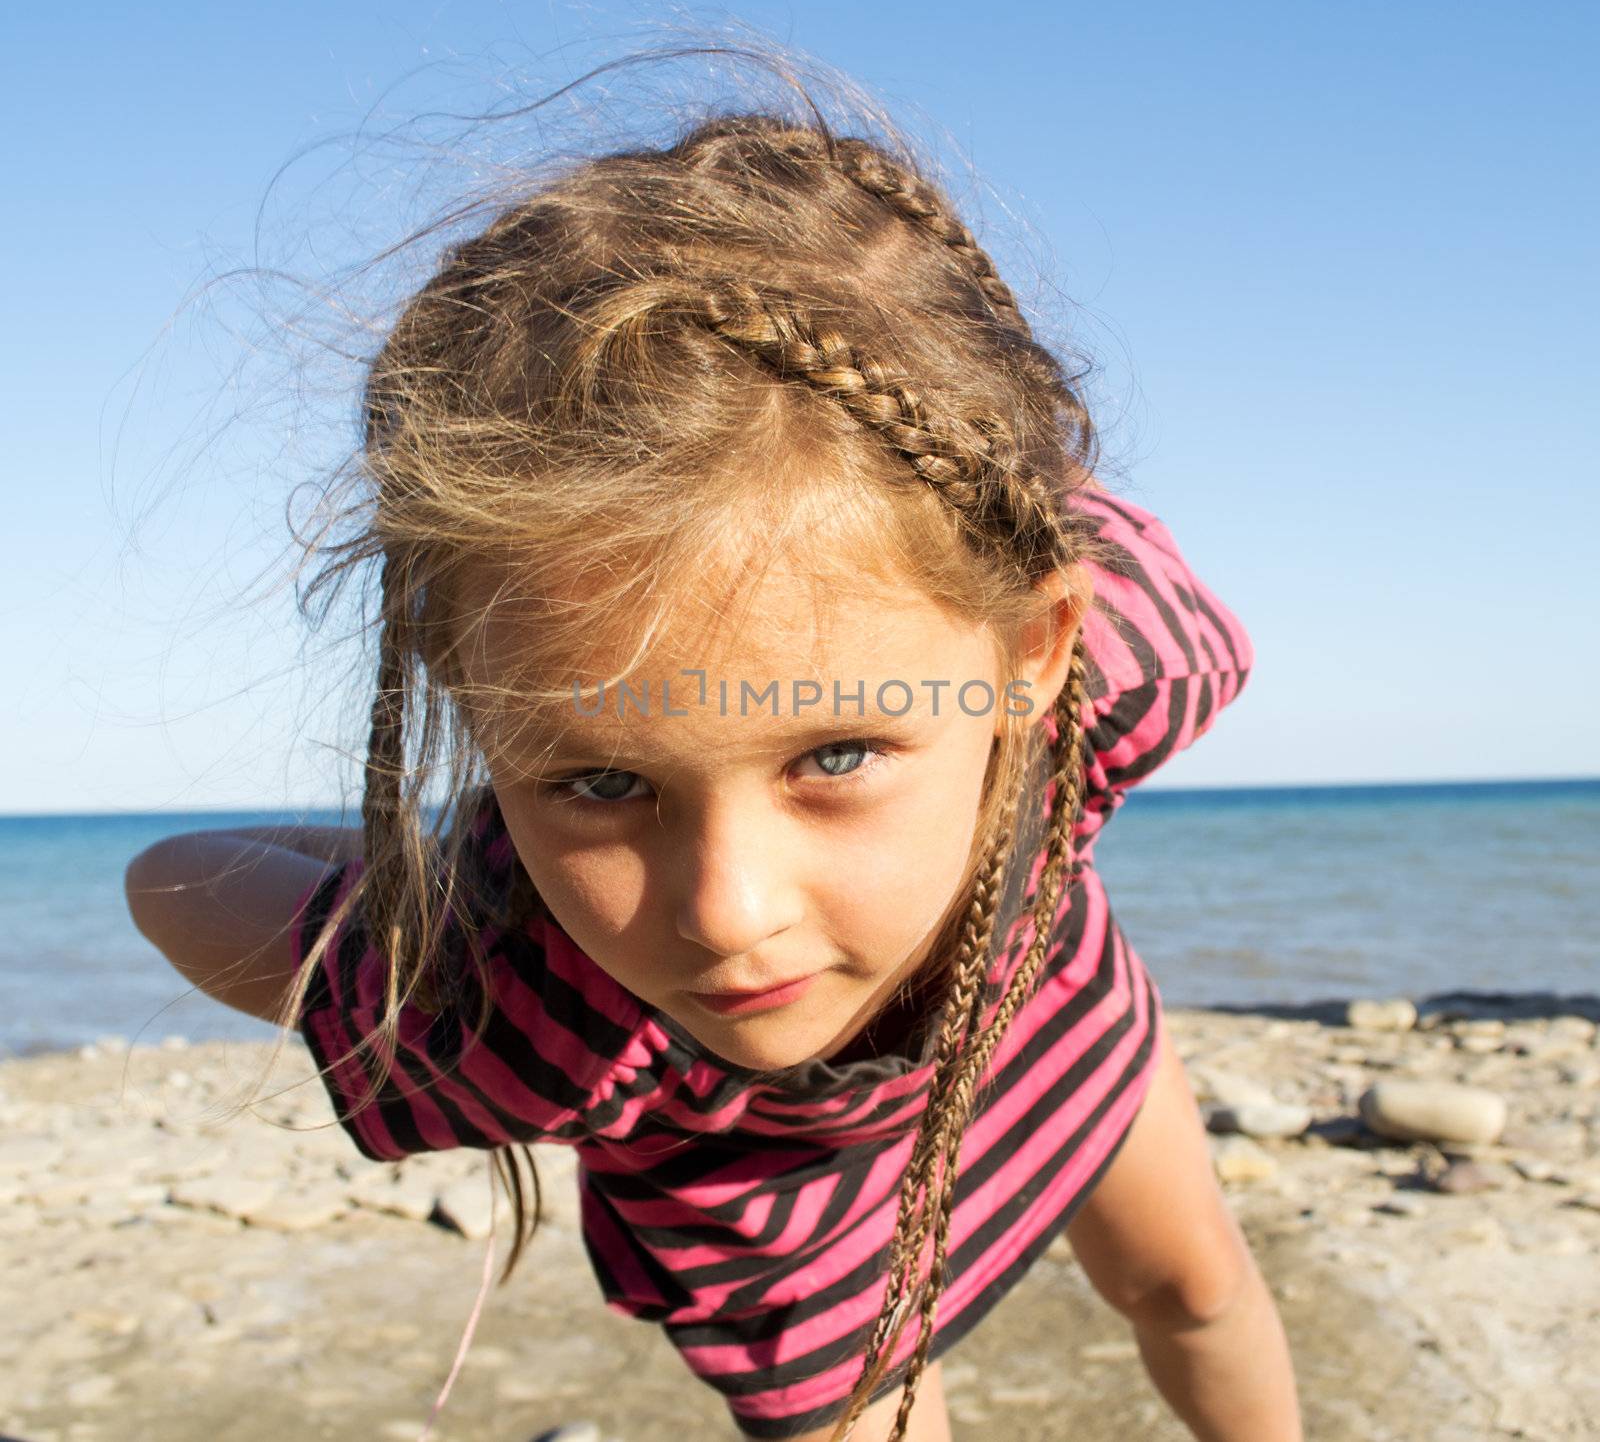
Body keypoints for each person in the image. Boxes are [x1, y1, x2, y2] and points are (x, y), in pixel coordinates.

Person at [125, 70, 1301, 1442]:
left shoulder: (1109, 676)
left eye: (840, 753)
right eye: (603, 782)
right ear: (475, 700)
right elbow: (167, 881)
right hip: (790, 1235)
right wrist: (429, 888)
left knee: (1192, 1284)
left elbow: (1055, 508)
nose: (726, 913)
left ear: (1030, 655)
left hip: (1046, 1032)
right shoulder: (517, 1001)